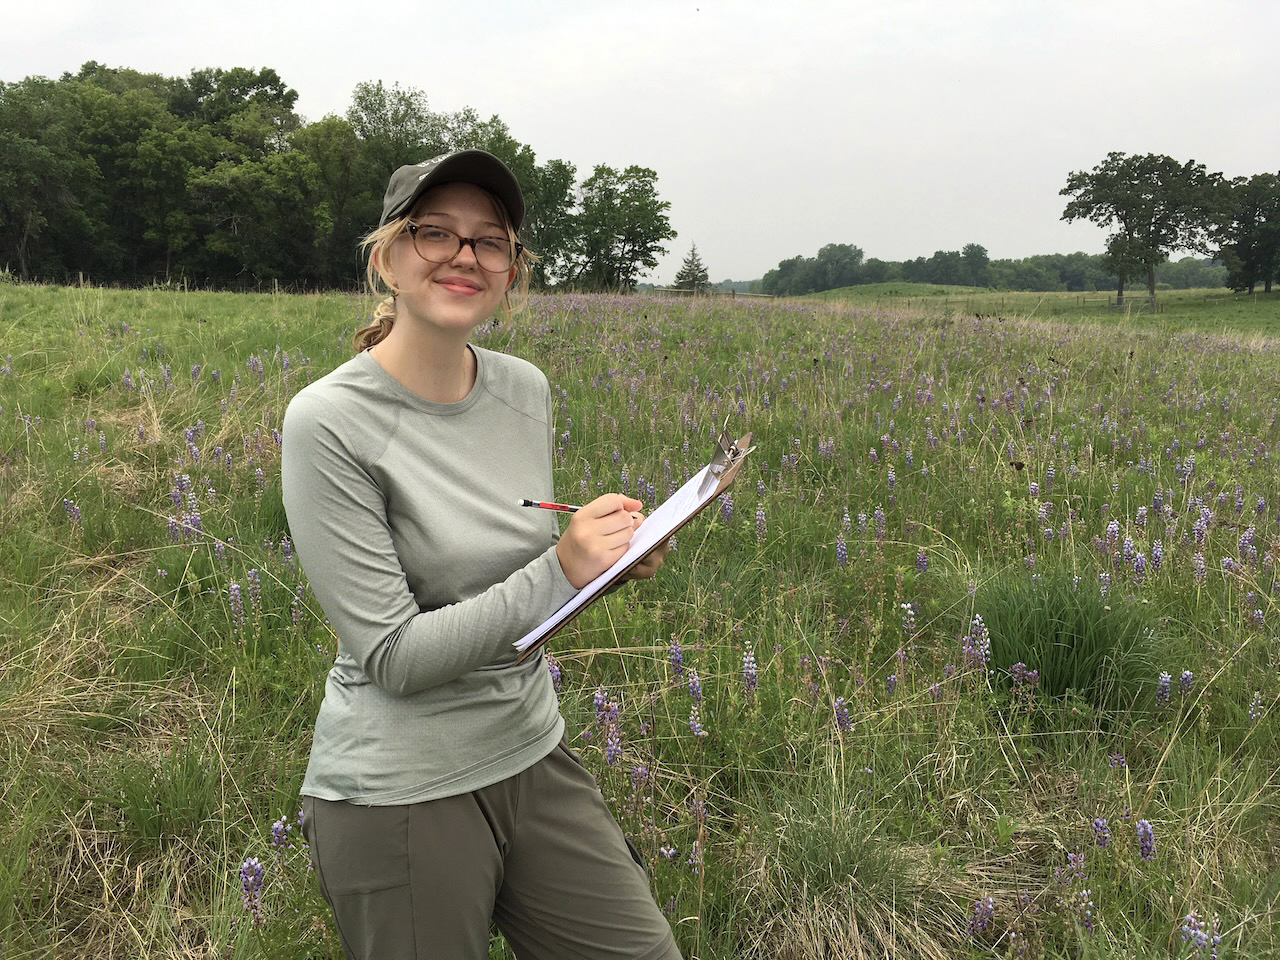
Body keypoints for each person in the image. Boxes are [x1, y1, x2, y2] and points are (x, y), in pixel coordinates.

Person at [281, 149, 681, 960]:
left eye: (490, 241)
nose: (465, 256)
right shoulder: (327, 422)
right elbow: (393, 654)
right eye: (435, 233)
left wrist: (599, 571)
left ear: (511, 271)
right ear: (386, 259)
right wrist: (560, 569)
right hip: (399, 790)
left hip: (532, 746)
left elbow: (514, 598)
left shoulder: (522, 388)